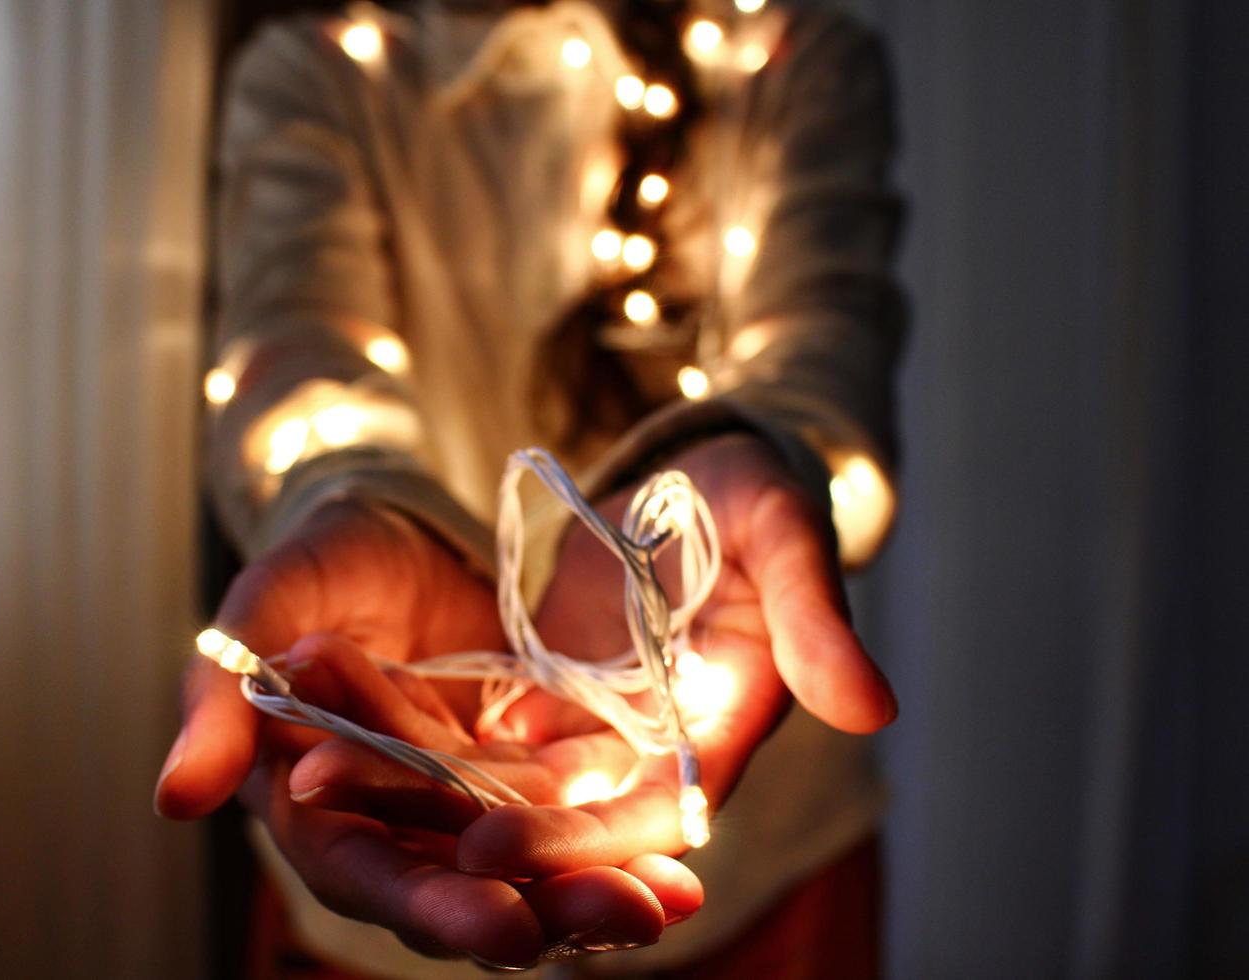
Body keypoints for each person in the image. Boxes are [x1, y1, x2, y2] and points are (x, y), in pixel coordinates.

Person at [156, 0, 905, 974]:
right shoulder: (322, 73)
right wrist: (355, 500)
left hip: (762, 873)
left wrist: (755, 450)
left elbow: (822, 352)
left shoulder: (790, 58)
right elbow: (291, 355)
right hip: (388, 878)